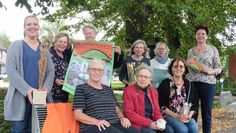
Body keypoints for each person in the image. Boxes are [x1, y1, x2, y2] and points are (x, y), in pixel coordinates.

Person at [4, 15, 54, 133]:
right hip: (20, 98)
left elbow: (51, 71)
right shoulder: (16, 45)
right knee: (19, 130)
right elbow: (11, 70)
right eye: (29, 24)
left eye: (35, 24)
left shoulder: (44, 48)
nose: (32, 27)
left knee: (36, 129)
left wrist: (46, 89)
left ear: (39, 27)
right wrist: (28, 90)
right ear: (24, 28)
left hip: (40, 98)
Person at [73, 59, 138, 133]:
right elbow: (77, 114)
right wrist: (96, 121)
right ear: (88, 71)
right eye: (93, 69)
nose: (97, 72)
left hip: (115, 123)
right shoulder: (81, 88)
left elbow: (116, 108)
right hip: (94, 126)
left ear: (103, 72)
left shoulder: (108, 89)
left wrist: (122, 118)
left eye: (100, 70)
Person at [186, 25, 222, 133]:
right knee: (192, 111)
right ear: (195, 36)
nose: (200, 35)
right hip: (192, 83)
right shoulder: (190, 51)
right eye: (198, 34)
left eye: (203, 34)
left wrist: (212, 71)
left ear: (206, 36)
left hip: (208, 83)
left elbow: (219, 67)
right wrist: (190, 64)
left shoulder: (213, 49)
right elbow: (189, 67)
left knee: (206, 112)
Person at [124, 65, 170, 133]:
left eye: (146, 77)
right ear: (136, 78)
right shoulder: (128, 90)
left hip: (152, 122)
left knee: (169, 130)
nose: (143, 79)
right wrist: (149, 123)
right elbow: (129, 113)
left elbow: (157, 111)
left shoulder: (154, 91)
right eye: (140, 76)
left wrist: (160, 120)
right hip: (137, 124)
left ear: (150, 80)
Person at [158, 58, 198, 133]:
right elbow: (162, 105)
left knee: (194, 127)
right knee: (183, 130)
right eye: (175, 66)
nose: (178, 68)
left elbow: (194, 103)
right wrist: (177, 117)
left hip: (185, 115)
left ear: (184, 70)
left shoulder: (189, 84)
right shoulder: (165, 83)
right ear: (172, 69)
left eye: (181, 66)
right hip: (169, 115)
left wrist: (189, 116)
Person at [49, 32, 70, 102]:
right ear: (55, 42)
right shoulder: (48, 55)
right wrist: (54, 80)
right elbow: (41, 72)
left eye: (65, 42)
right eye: (60, 41)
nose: (62, 44)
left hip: (64, 94)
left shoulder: (65, 56)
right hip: (51, 95)